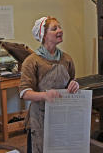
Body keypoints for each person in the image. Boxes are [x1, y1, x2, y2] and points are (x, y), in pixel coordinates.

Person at [19, 16, 79, 153]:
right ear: (44, 35)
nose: (60, 30)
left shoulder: (67, 59)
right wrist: (45, 95)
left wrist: (75, 84)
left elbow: (71, 82)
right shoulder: (32, 61)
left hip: (62, 116)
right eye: (54, 28)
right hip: (40, 118)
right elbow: (25, 93)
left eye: (59, 27)